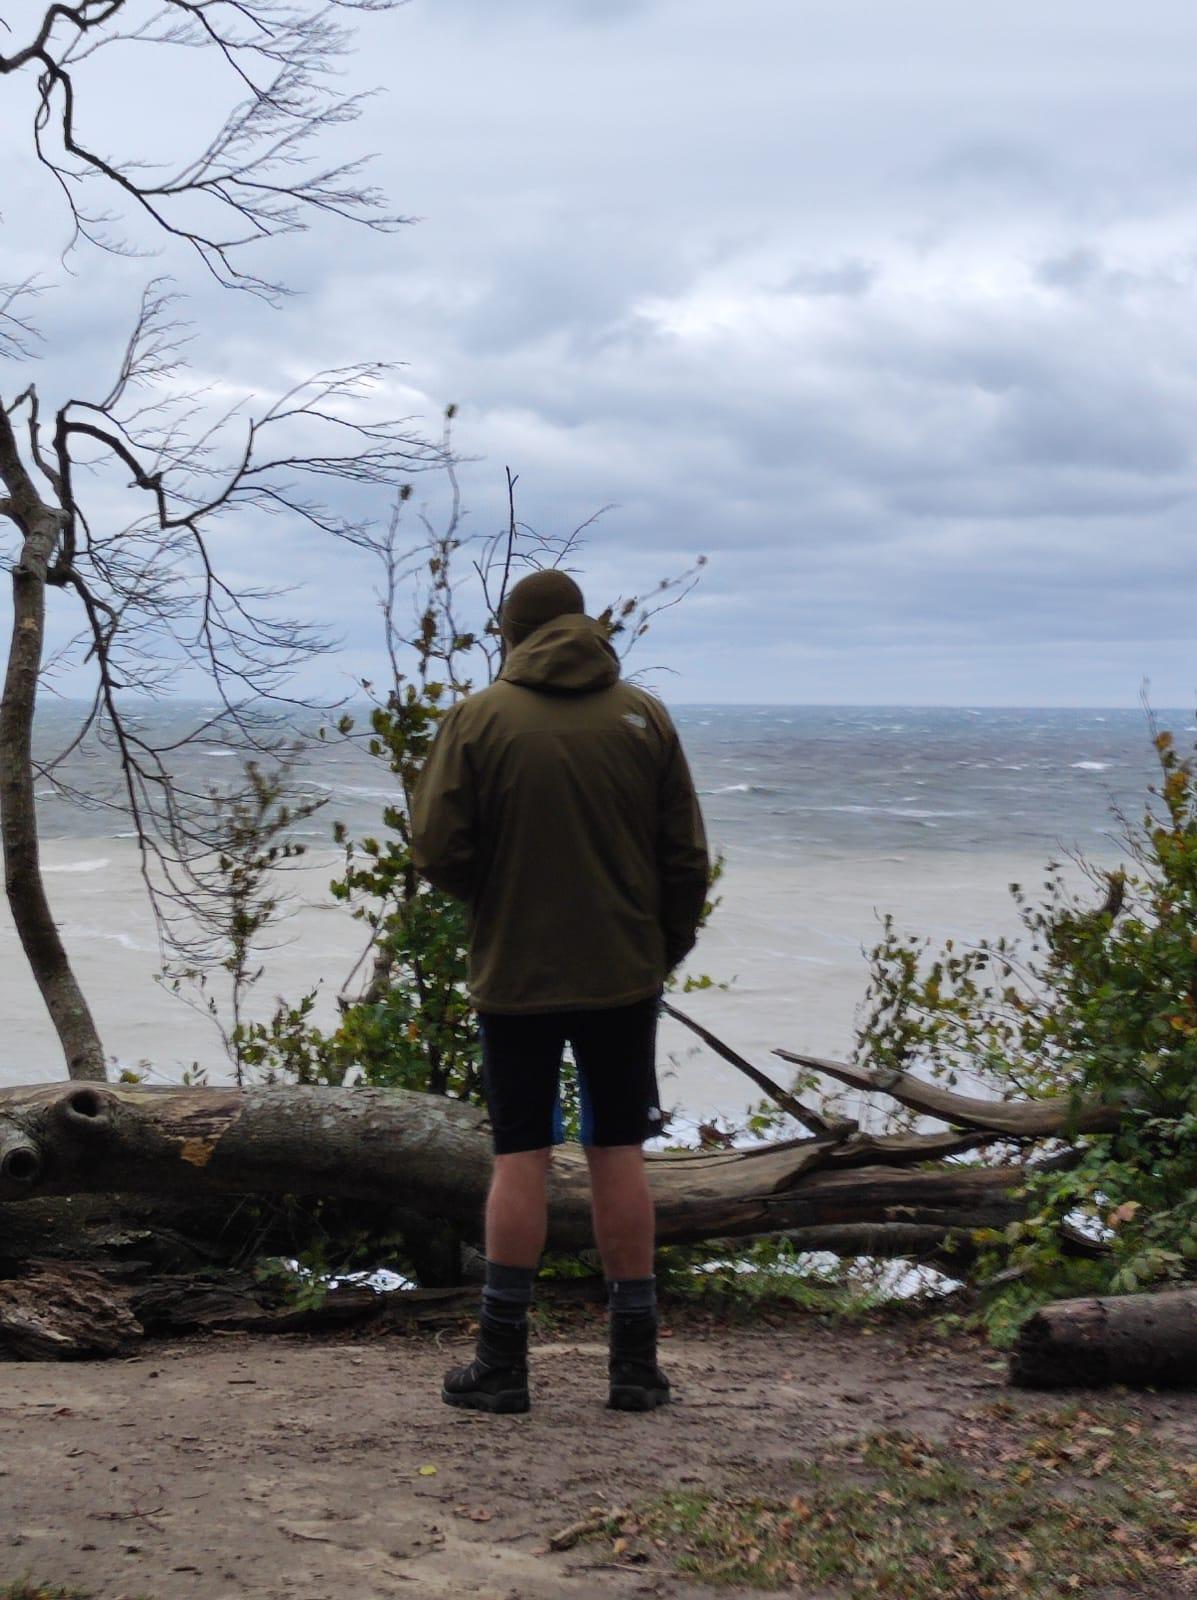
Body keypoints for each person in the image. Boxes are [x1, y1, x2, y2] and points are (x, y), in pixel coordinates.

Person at [410, 569, 710, 1414]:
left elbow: (436, 849)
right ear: (583, 627)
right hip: (622, 972)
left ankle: (502, 1364)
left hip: (516, 974)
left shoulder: (478, 719)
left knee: (520, 1156)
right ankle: (635, 1367)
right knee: (618, 1151)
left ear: (510, 636)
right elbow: (685, 856)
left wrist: (495, 896)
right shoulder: (643, 716)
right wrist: (661, 948)